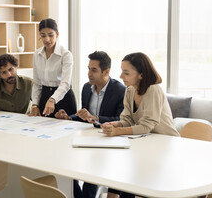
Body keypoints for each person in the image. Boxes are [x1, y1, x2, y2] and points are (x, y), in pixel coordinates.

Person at [101, 52, 179, 198]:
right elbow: (128, 119)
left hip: (165, 146)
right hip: (146, 142)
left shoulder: (153, 90)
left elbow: (146, 126)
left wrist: (117, 131)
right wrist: (114, 124)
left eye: (126, 73)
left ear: (141, 75)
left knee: (130, 175)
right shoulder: (130, 90)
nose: (120, 76)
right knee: (124, 173)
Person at [55, 51, 125, 198]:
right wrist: (69, 117)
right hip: (87, 138)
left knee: (90, 175)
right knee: (67, 168)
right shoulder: (87, 88)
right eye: (88, 68)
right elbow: (84, 117)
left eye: (94, 70)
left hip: (109, 140)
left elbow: (120, 119)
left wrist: (94, 118)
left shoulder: (120, 90)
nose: (89, 73)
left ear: (106, 71)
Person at [29, 18, 77, 118]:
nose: (47, 39)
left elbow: (65, 84)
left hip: (64, 99)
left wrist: (52, 99)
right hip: (45, 98)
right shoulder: (36, 55)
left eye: (51, 35)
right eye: (43, 35)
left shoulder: (66, 55)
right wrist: (35, 104)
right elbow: (37, 83)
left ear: (57, 34)